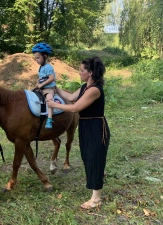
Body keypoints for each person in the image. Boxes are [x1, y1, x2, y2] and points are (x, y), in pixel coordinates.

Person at [47, 56, 110, 209]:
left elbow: (75, 107)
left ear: (90, 73)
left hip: (95, 127)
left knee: (94, 158)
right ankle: (99, 173)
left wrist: (54, 104)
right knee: (87, 156)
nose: (79, 72)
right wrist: (55, 87)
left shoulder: (95, 90)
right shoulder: (84, 87)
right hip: (85, 125)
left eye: (82, 70)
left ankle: (96, 199)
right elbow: (69, 97)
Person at [32, 42, 56, 129]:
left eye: (38, 58)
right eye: (35, 58)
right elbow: (41, 78)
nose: (36, 60)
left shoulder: (48, 67)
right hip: (42, 88)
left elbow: (51, 78)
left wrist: (41, 84)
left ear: (45, 56)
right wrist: (37, 85)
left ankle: (49, 119)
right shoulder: (41, 67)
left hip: (49, 88)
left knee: (49, 99)